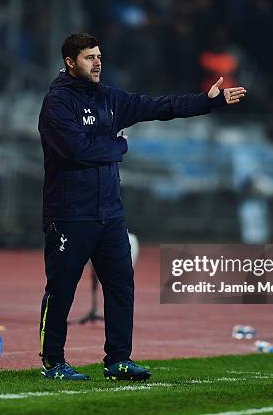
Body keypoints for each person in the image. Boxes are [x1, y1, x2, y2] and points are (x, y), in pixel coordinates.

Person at [38, 33, 245, 381]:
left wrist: (208, 101)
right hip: (70, 214)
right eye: (90, 58)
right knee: (62, 289)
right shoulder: (57, 104)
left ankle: (118, 359)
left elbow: (158, 106)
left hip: (110, 214)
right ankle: (54, 362)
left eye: (99, 56)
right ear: (71, 63)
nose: (98, 62)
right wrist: (118, 147)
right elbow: (78, 151)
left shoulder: (110, 98)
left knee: (121, 284)